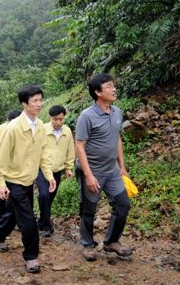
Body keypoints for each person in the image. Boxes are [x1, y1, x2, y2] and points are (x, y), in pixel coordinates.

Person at [0, 85, 56, 274]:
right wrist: (0, 183)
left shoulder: (40, 126)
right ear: (24, 103)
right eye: (34, 100)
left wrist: (48, 175)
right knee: (28, 220)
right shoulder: (14, 128)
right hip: (13, 180)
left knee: (13, 213)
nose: (39, 104)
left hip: (28, 180)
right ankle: (31, 256)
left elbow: (43, 153)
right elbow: (1, 159)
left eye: (40, 100)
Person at [75, 73, 132, 262]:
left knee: (123, 204)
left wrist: (121, 166)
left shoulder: (117, 112)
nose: (114, 89)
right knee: (89, 209)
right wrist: (88, 175)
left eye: (113, 85)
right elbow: (80, 146)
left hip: (112, 171)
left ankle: (111, 242)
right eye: (108, 86)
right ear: (98, 92)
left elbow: (117, 138)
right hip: (93, 171)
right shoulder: (86, 116)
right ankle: (87, 244)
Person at [36, 105, 75, 237]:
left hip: (57, 170)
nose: (58, 122)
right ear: (50, 118)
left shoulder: (67, 131)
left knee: (49, 198)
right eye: (55, 119)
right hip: (41, 170)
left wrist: (69, 168)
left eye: (61, 119)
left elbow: (70, 150)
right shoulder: (42, 130)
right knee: (44, 195)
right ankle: (47, 227)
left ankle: (41, 221)